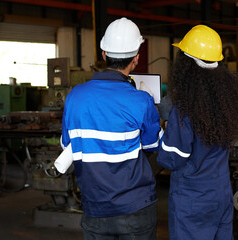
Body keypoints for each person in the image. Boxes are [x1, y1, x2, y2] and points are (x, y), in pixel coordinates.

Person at [60, 17, 163, 240]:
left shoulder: (74, 96)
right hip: (136, 206)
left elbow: (68, 145)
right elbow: (153, 145)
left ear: (104, 54)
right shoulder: (142, 100)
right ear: (136, 59)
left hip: (94, 207)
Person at [157, 25, 238, 240]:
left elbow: (171, 160)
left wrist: (166, 133)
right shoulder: (227, 101)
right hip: (221, 194)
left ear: (186, 63)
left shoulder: (186, 108)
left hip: (192, 200)